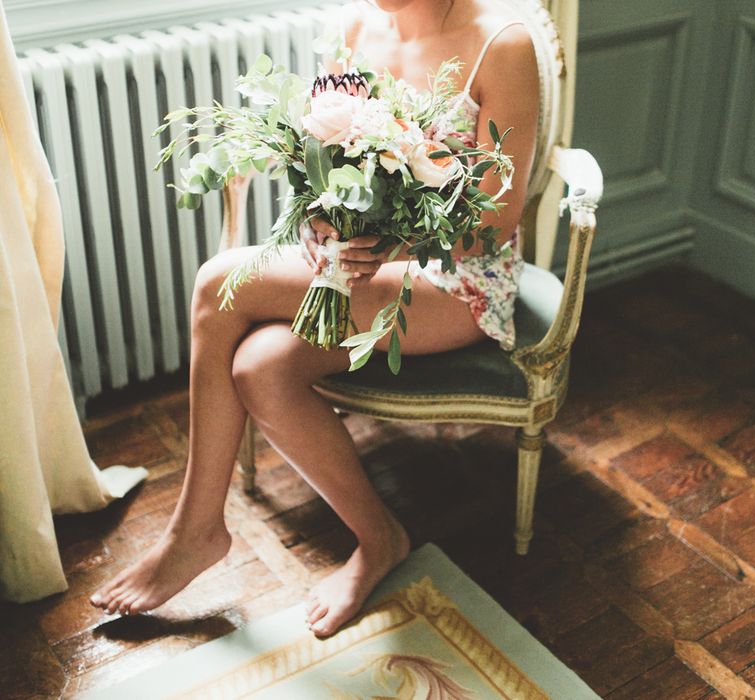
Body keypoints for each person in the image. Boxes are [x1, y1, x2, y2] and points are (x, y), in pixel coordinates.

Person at [89, 0, 540, 638]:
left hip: (455, 280)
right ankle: (379, 536)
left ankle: (193, 532)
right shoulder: (357, 27)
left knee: (217, 284)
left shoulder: (504, 43)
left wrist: (391, 244)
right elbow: (324, 162)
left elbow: (498, 218)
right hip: (358, 265)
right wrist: (323, 220)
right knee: (259, 367)